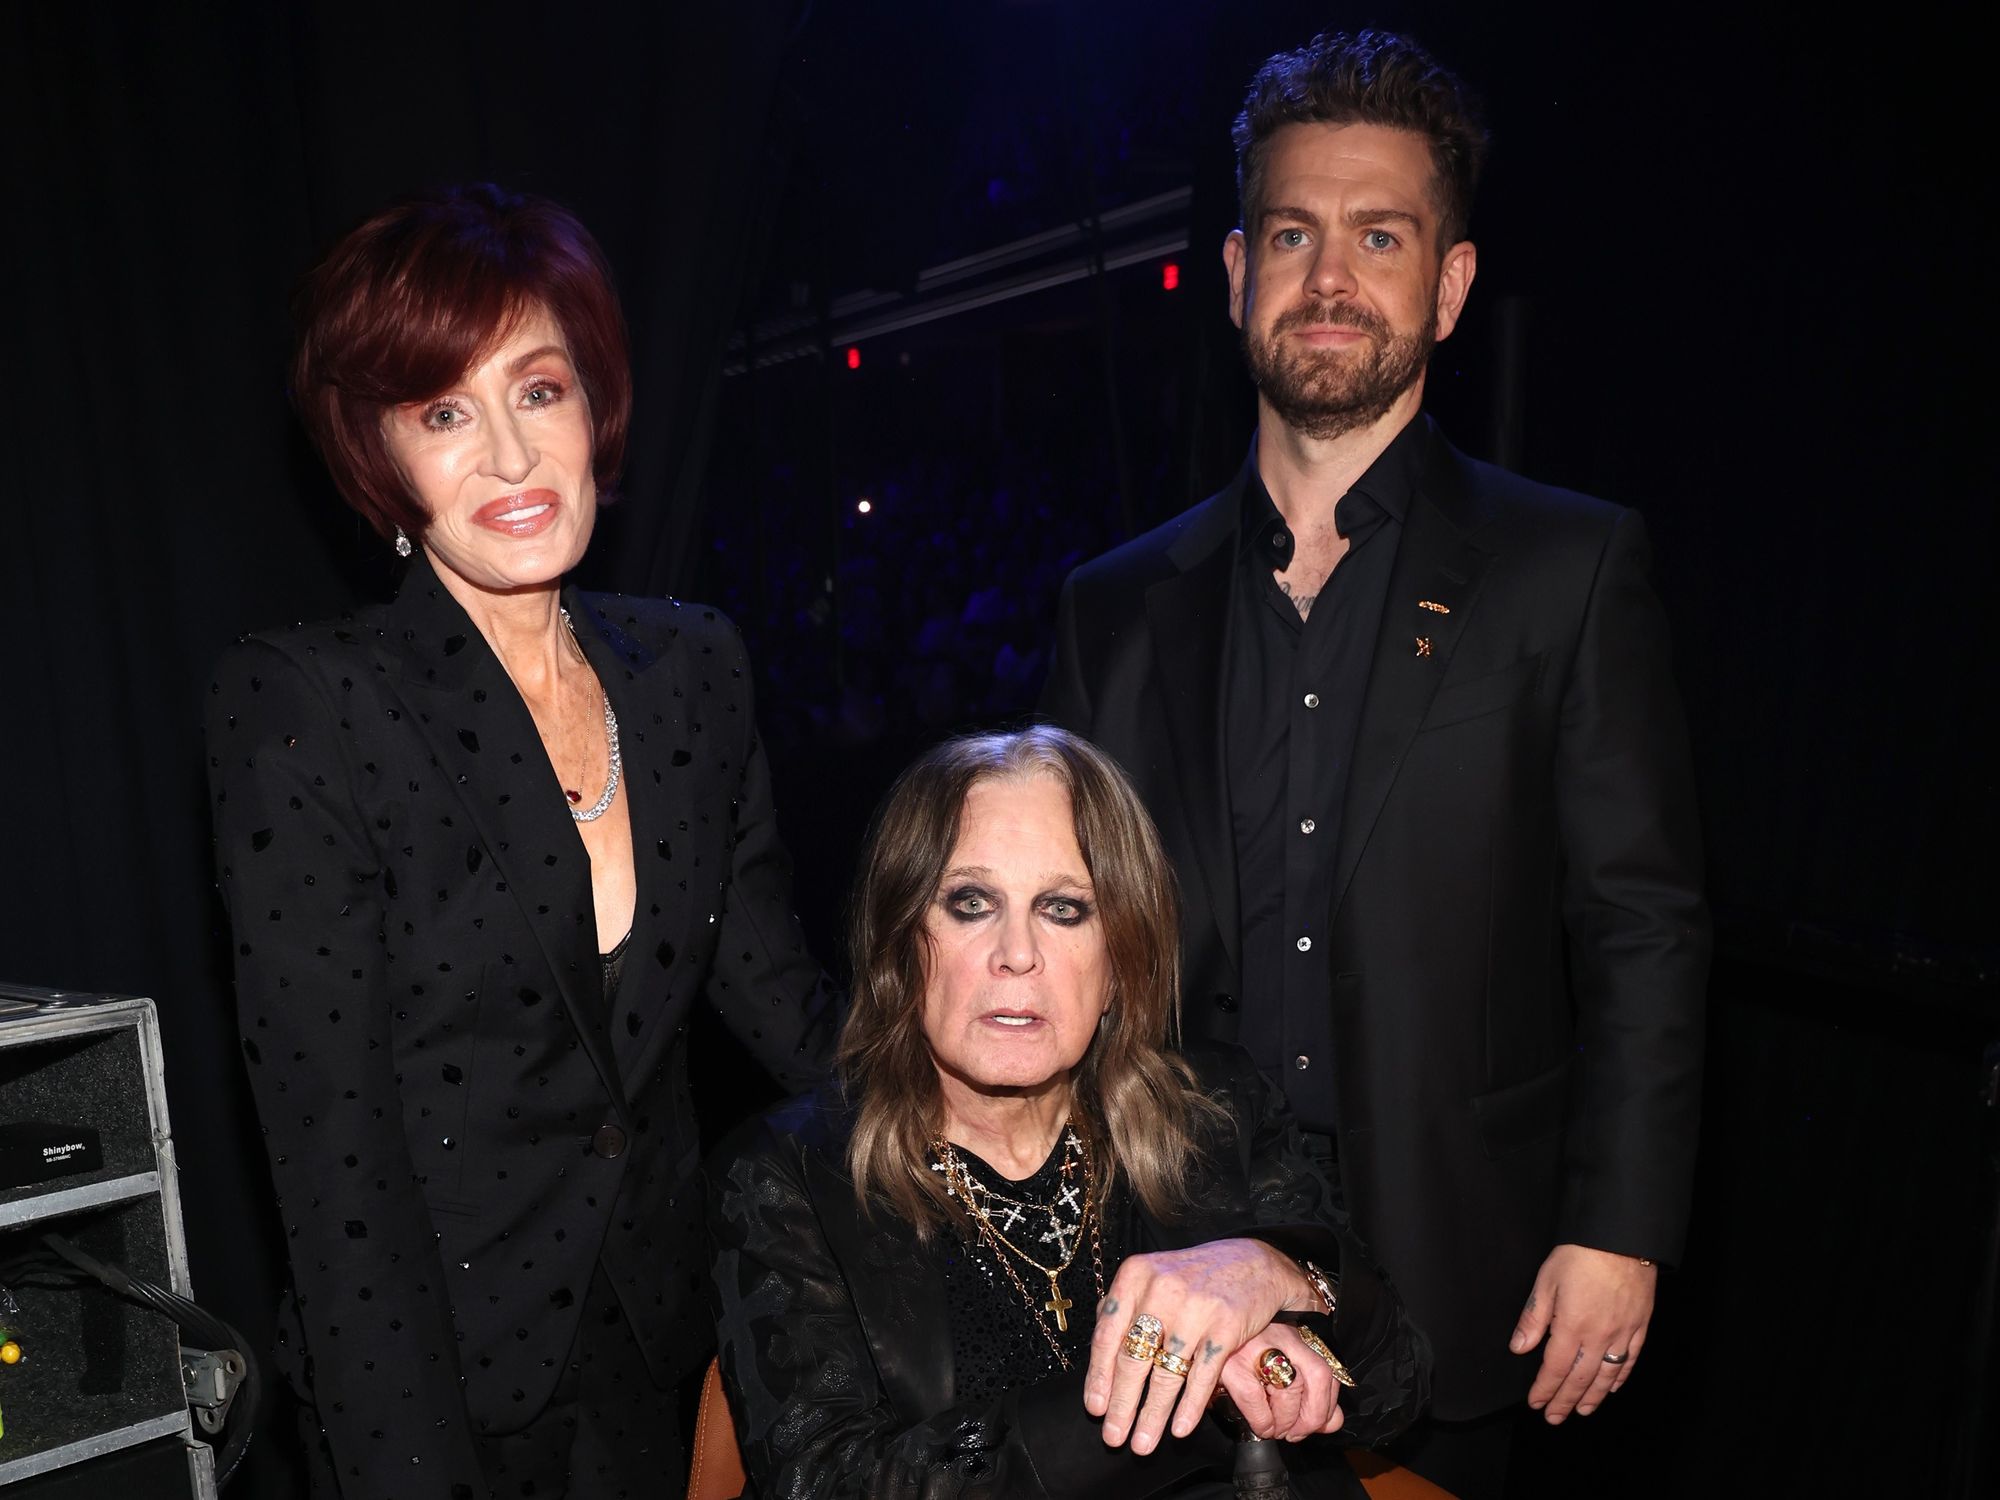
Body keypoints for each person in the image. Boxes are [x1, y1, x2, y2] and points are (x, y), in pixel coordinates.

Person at [1039, 30, 1709, 1497]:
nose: (1329, 277)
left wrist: (1624, 1226)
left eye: (1380, 235)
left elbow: (1641, 923)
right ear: (1234, 271)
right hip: (1172, 1281)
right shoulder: (1113, 605)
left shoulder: (1569, 568)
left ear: (1450, 285)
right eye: (1293, 233)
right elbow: (1066, 942)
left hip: (1476, 1278)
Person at [204, 184, 835, 1499]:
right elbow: (337, 1174)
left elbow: (783, 1004)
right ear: (380, 456)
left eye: (537, 390)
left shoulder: (691, 669)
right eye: (444, 412)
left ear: (592, 404)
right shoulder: (307, 709)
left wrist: (1024, 1111)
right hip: (429, 1392)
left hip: (655, 1356)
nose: (508, 455)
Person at [708, 726, 1429, 1499]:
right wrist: (1187, 1378)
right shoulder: (790, 1176)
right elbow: (828, 1484)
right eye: (971, 902)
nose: (1016, 952)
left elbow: (1395, 1391)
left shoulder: (1214, 1110)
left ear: (1120, 959)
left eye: (1063, 908)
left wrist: (1272, 1271)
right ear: (901, 945)